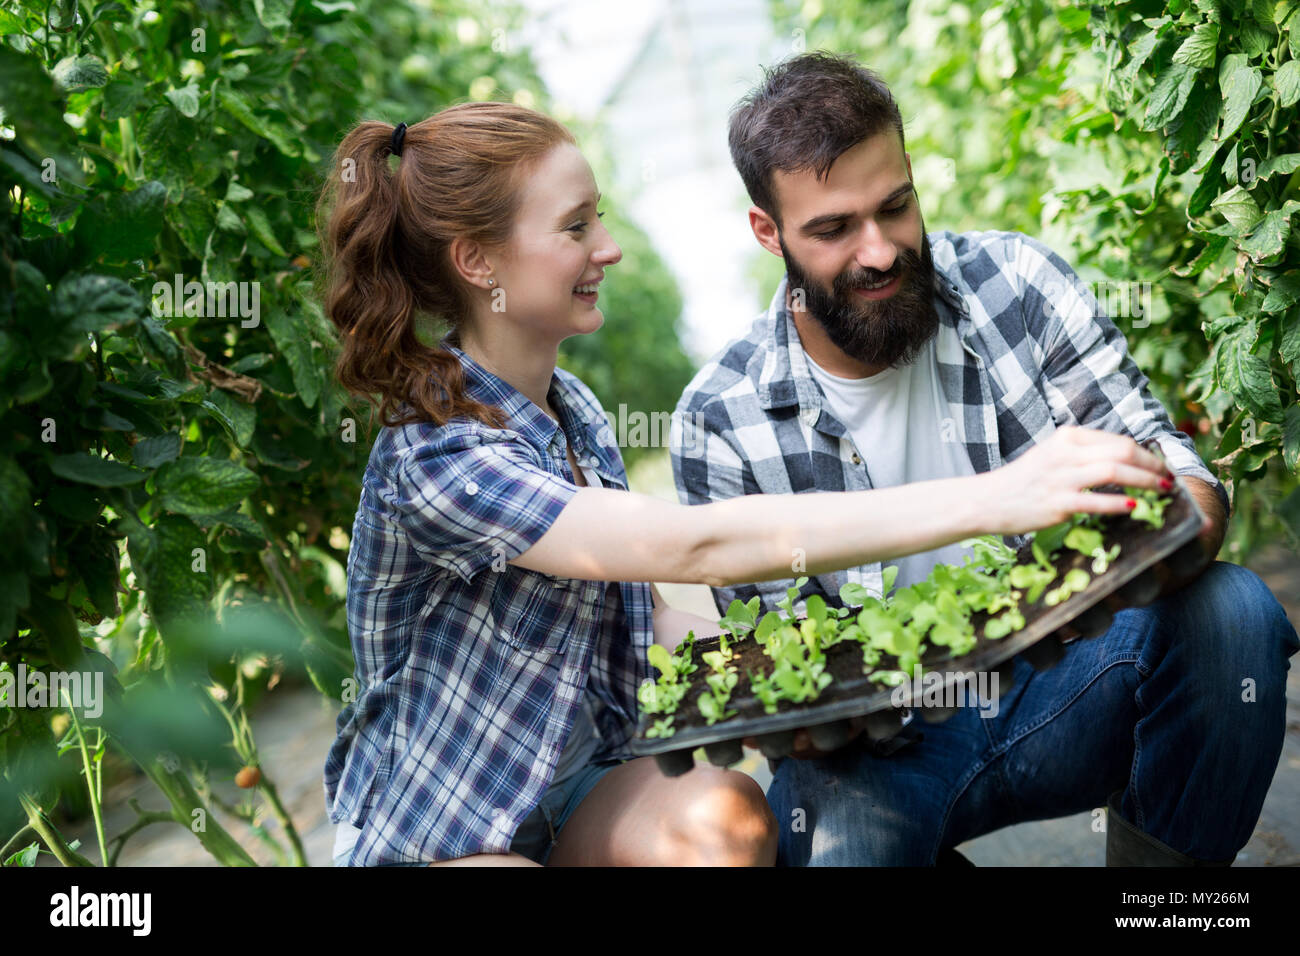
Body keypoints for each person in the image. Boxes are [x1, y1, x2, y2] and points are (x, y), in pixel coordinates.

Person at [316, 101, 1169, 867]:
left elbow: (652, 608)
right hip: (442, 829)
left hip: (584, 786)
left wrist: (808, 662)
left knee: (728, 822)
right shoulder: (435, 453)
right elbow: (690, 547)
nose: (606, 248)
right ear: (477, 260)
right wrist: (1001, 497)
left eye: (598, 220)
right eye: (575, 229)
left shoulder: (569, 412)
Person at [670, 51, 1300, 866]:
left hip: (1066, 678)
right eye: (832, 229)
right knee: (836, 843)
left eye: (895, 207)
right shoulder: (720, 419)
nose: (880, 251)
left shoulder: (1017, 283)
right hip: (883, 758)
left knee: (1231, 613)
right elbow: (782, 668)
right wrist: (823, 715)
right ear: (769, 232)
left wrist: (1178, 512)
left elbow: (1171, 467)